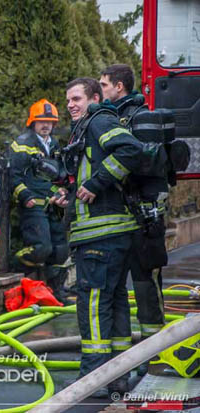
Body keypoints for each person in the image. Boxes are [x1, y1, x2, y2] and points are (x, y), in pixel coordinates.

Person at [60, 77, 143, 396]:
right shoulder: (89, 128)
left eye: (77, 98)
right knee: (116, 301)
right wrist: (70, 196)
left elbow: (130, 150)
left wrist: (96, 184)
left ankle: (93, 377)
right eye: (68, 99)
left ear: (95, 98)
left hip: (101, 237)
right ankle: (118, 373)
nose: (70, 104)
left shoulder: (99, 120)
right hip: (112, 234)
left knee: (93, 304)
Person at [100, 64, 168, 375]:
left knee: (144, 281)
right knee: (121, 284)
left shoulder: (140, 118)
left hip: (144, 215)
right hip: (123, 215)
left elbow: (145, 163)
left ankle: (155, 352)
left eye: (104, 85)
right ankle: (130, 356)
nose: (101, 90)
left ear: (118, 86)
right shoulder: (113, 118)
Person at [10, 99, 69, 303]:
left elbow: (58, 174)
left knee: (61, 249)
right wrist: (25, 197)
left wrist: (61, 191)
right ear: (32, 122)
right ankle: (16, 262)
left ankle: (57, 291)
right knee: (42, 248)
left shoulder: (54, 144)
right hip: (34, 205)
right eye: (41, 121)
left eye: (50, 121)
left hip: (53, 204)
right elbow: (14, 176)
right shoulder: (22, 144)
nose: (46, 125)